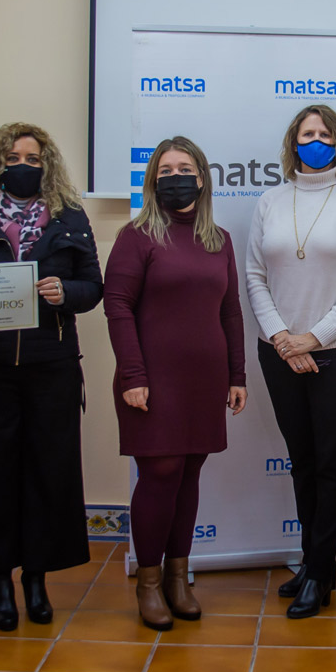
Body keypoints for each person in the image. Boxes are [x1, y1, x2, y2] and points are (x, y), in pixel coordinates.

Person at [0, 124, 102, 630]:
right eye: (13, 156)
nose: (23, 164)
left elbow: (92, 286)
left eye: (33, 157)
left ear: (46, 163)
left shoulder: (71, 217)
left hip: (50, 367)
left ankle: (37, 580)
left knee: (46, 476)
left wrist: (65, 294)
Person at [104, 135, 247, 631]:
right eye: (164, 171)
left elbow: (230, 310)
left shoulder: (219, 240)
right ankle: (148, 583)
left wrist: (237, 374)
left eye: (184, 168)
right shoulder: (137, 236)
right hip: (151, 379)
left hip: (205, 379)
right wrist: (133, 375)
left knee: (188, 476)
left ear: (202, 177)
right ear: (151, 182)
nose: (174, 176)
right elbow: (117, 307)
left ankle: (178, 579)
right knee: (160, 474)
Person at [245, 105, 336, 619]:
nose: (316, 140)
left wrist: (312, 339)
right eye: (308, 133)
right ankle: (311, 561)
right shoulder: (270, 201)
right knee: (301, 461)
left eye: (325, 133)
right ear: (293, 143)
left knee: (329, 463)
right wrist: (282, 338)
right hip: (278, 352)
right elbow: (255, 275)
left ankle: (321, 572)